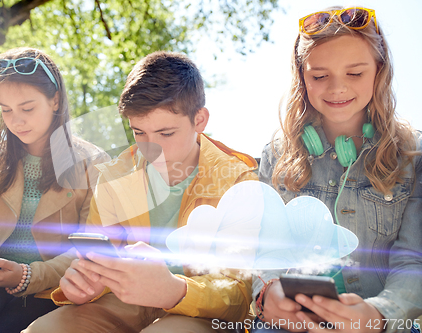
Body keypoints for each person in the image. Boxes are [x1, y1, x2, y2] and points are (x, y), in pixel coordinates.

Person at [23, 51, 259, 333]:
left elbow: (239, 296)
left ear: (200, 120)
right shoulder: (114, 176)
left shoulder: (238, 180)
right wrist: (85, 286)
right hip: (124, 301)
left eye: (166, 133)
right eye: (139, 132)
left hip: (202, 313)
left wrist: (174, 290)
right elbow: (95, 260)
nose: (151, 149)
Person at [252, 6, 422, 333]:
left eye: (355, 73)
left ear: (379, 71)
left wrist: (377, 315)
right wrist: (267, 292)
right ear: (302, 76)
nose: (337, 89)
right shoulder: (275, 156)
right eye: (319, 76)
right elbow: (266, 252)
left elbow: (413, 261)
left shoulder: (414, 156)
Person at [0, 47, 109, 333]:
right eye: (6, 110)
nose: (16, 120)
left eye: (27, 108)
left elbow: (90, 250)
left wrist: (27, 276)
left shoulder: (93, 163)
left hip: (52, 290)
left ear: (55, 100)